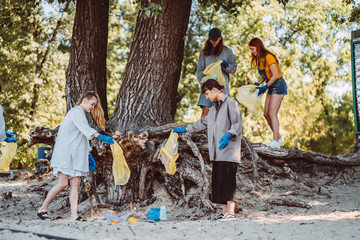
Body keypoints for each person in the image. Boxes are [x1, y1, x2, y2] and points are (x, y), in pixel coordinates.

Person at [37, 91, 114, 221]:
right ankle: (42, 209)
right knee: (62, 184)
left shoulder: (80, 114)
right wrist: (101, 136)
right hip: (65, 155)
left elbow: (81, 138)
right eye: (92, 104)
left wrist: (88, 154)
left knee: (75, 184)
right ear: (84, 100)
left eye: (94, 105)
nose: (93, 107)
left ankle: (74, 215)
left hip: (74, 156)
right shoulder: (76, 112)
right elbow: (86, 130)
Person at [173, 79, 242, 221]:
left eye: (207, 93)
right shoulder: (214, 108)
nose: (206, 97)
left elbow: (237, 123)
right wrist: (186, 129)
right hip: (217, 152)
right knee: (220, 182)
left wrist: (229, 135)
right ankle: (224, 213)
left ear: (215, 89)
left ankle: (231, 212)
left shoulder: (230, 103)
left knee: (228, 182)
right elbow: (203, 123)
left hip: (229, 151)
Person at [248, 38, 288, 149]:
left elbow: (275, 75)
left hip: (278, 85)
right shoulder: (259, 59)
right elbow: (265, 75)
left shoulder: (269, 57)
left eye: (252, 49)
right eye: (250, 49)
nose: (251, 52)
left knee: (272, 113)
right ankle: (279, 139)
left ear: (258, 47)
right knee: (266, 114)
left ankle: (275, 141)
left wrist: (265, 86)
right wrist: (257, 83)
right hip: (271, 85)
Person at [196, 28, 237, 118]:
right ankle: (202, 132)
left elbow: (233, 69)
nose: (213, 42)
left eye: (215, 40)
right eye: (211, 40)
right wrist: (204, 84)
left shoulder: (227, 51)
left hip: (221, 89)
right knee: (205, 112)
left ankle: (220, 132)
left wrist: (226, 66)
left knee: (221, 115)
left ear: (220, 38)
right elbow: (199, 71)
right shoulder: (204, 54)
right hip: (207, 88)